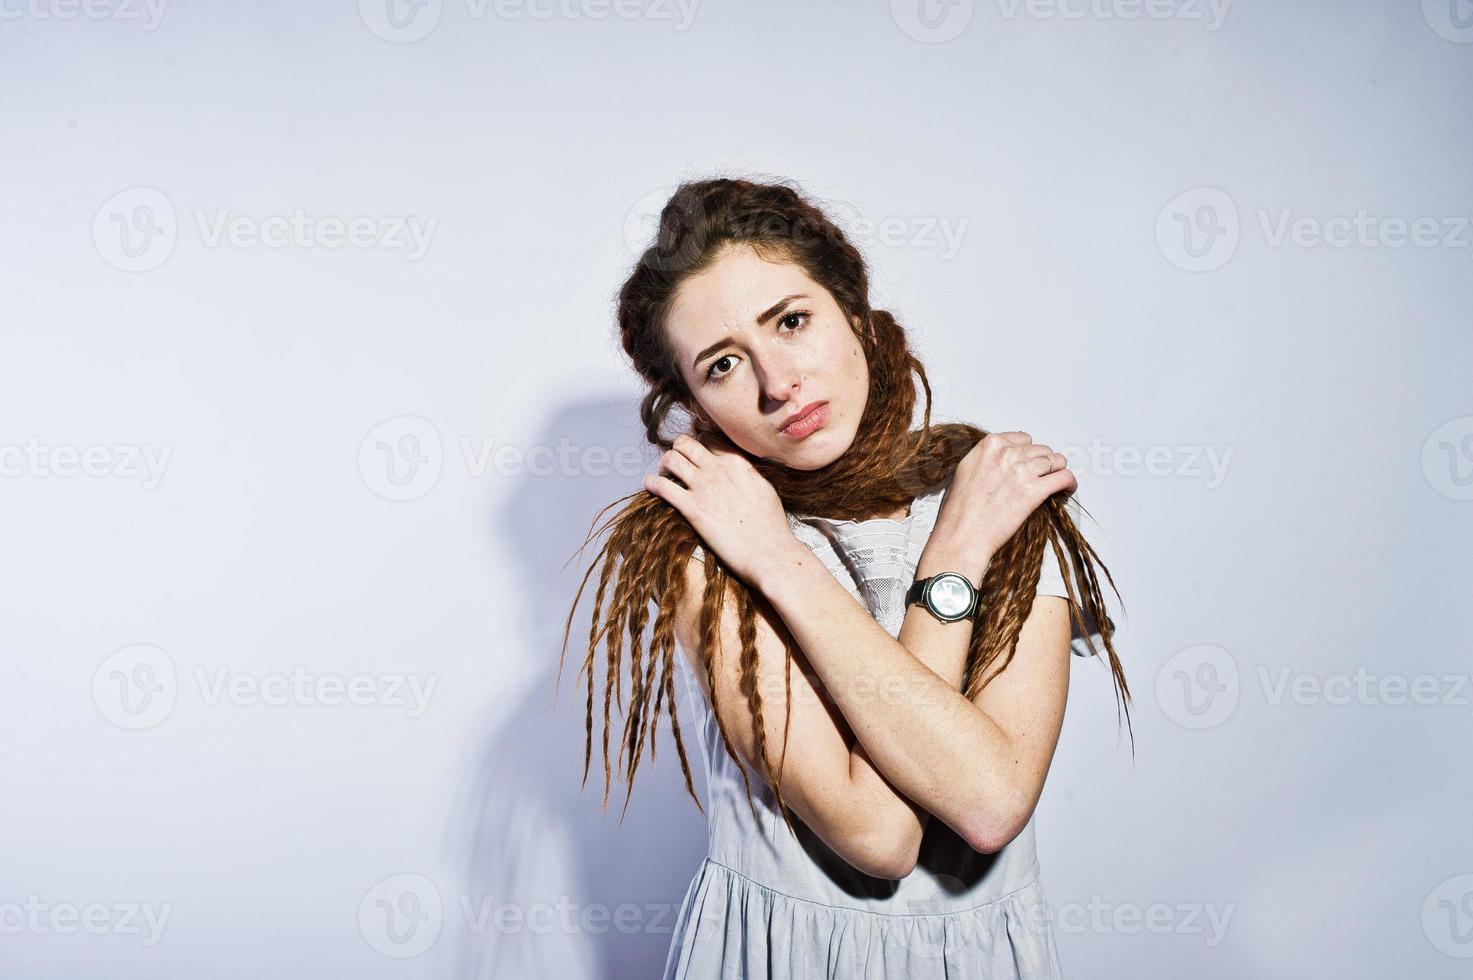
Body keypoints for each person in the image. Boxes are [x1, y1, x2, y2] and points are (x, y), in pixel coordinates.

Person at [558, 177, 1130, 978]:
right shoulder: (705, 545)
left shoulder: (997, 500)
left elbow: (988, 800)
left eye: (791, 321)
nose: (776, 382)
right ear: (693, 402)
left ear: (855, 314)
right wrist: (783, 556)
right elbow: (878, 836)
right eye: (723, 365)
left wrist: (954, 544)